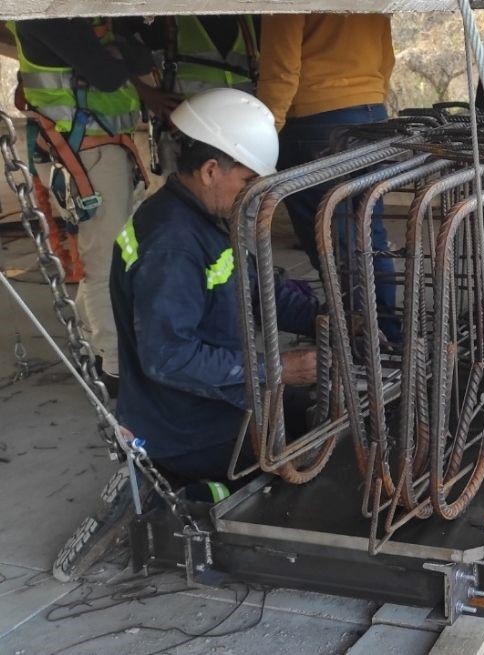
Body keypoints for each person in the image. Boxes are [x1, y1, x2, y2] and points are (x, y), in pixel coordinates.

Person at [52, 89, 320, 582]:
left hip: (218, 397)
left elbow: (260, 288)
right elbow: (168, 358)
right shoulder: (172, 243)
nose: (253, 192)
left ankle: (194, 479)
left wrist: (329, 318)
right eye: (248, 179)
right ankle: (184, 492)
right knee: (315, 455)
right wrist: (273, 369)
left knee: (320, 414)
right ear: (211, 169)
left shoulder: (209, 217)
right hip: (185, 423)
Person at [8, 18, 176, 392]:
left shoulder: (85, 15)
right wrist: (117, 55)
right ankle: (115, 367)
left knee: (110, 252)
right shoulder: (50, 14)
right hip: (85, 150)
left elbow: (138, 57)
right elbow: (108, 76)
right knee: (107, 260)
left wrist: (120, 53)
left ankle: (95, 343)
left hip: (99, 146)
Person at [256, 13, 398, 336]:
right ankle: (386, 336)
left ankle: (358, 343)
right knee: (368, 233)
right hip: (372, 113)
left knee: (333, 241)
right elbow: (386, 56)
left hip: (316, 119)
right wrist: (370, 99)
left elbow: (281, 69)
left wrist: (264, 135)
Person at [132, 15, 260, 174]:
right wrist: (145, 93)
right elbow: (117, 49)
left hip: (242, 149)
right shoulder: (164, 19)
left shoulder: (252, 17)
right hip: (184, 151)